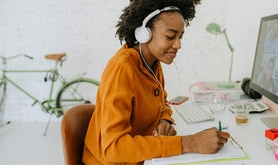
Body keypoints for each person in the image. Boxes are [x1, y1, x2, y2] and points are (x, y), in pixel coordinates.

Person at [82, 0, 230, 164]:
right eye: (170, 36)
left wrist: (164, 120)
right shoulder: (122, 68)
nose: (178, 45)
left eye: (180, 37)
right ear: (144, 33)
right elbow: (114, 149)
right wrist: (189, 142)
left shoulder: (152, 63)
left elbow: (162, 103)